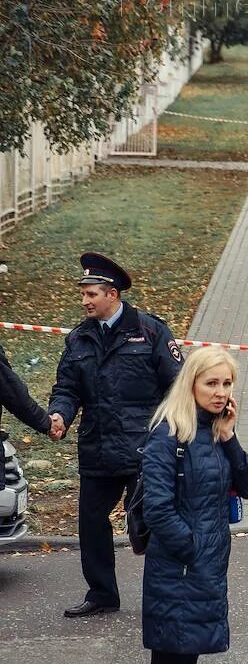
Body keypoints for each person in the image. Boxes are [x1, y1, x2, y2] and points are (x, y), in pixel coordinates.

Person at [139, 347, 248, 664]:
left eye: (226, 384)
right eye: (211, 383)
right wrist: (191, 550)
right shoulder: (168, 435)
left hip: (207, 569)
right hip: (180, 570)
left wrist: (231, 438)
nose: (220, 392)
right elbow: (157, 508)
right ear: (190, 383)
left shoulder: (215, 431)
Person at [50, 253, 182, 618]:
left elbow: (177, 386)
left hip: (145, 449)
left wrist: (176, 436)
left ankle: (166, 593)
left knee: (153, 523)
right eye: (83, 295)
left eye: (91, 294)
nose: (85, 301)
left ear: (112, 294)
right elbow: (66, 387)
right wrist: (60, 413)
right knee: (92, 524)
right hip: (99, 448)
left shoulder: (151, 330)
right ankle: (102, 593)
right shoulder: (78, 339)